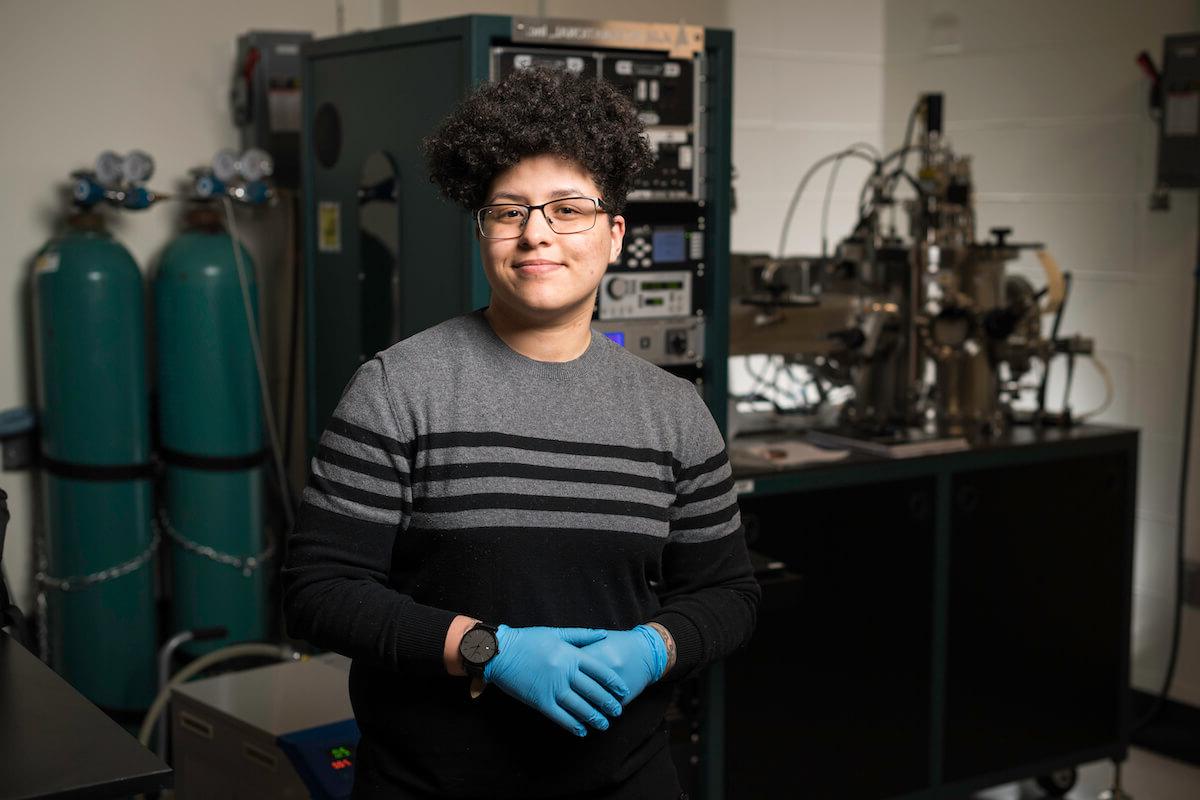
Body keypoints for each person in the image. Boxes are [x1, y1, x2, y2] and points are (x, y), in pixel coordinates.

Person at [283, 67, 760, 800]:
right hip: (431, 785)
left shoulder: (674, 412)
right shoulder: (399, 388)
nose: (536, 231)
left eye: (568, 209)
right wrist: (486, 649)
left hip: (625, 783)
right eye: (509, 211)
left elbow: (727, 594)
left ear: (615, 234)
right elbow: (320, 590)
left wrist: (652, 647)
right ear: (484, 233)